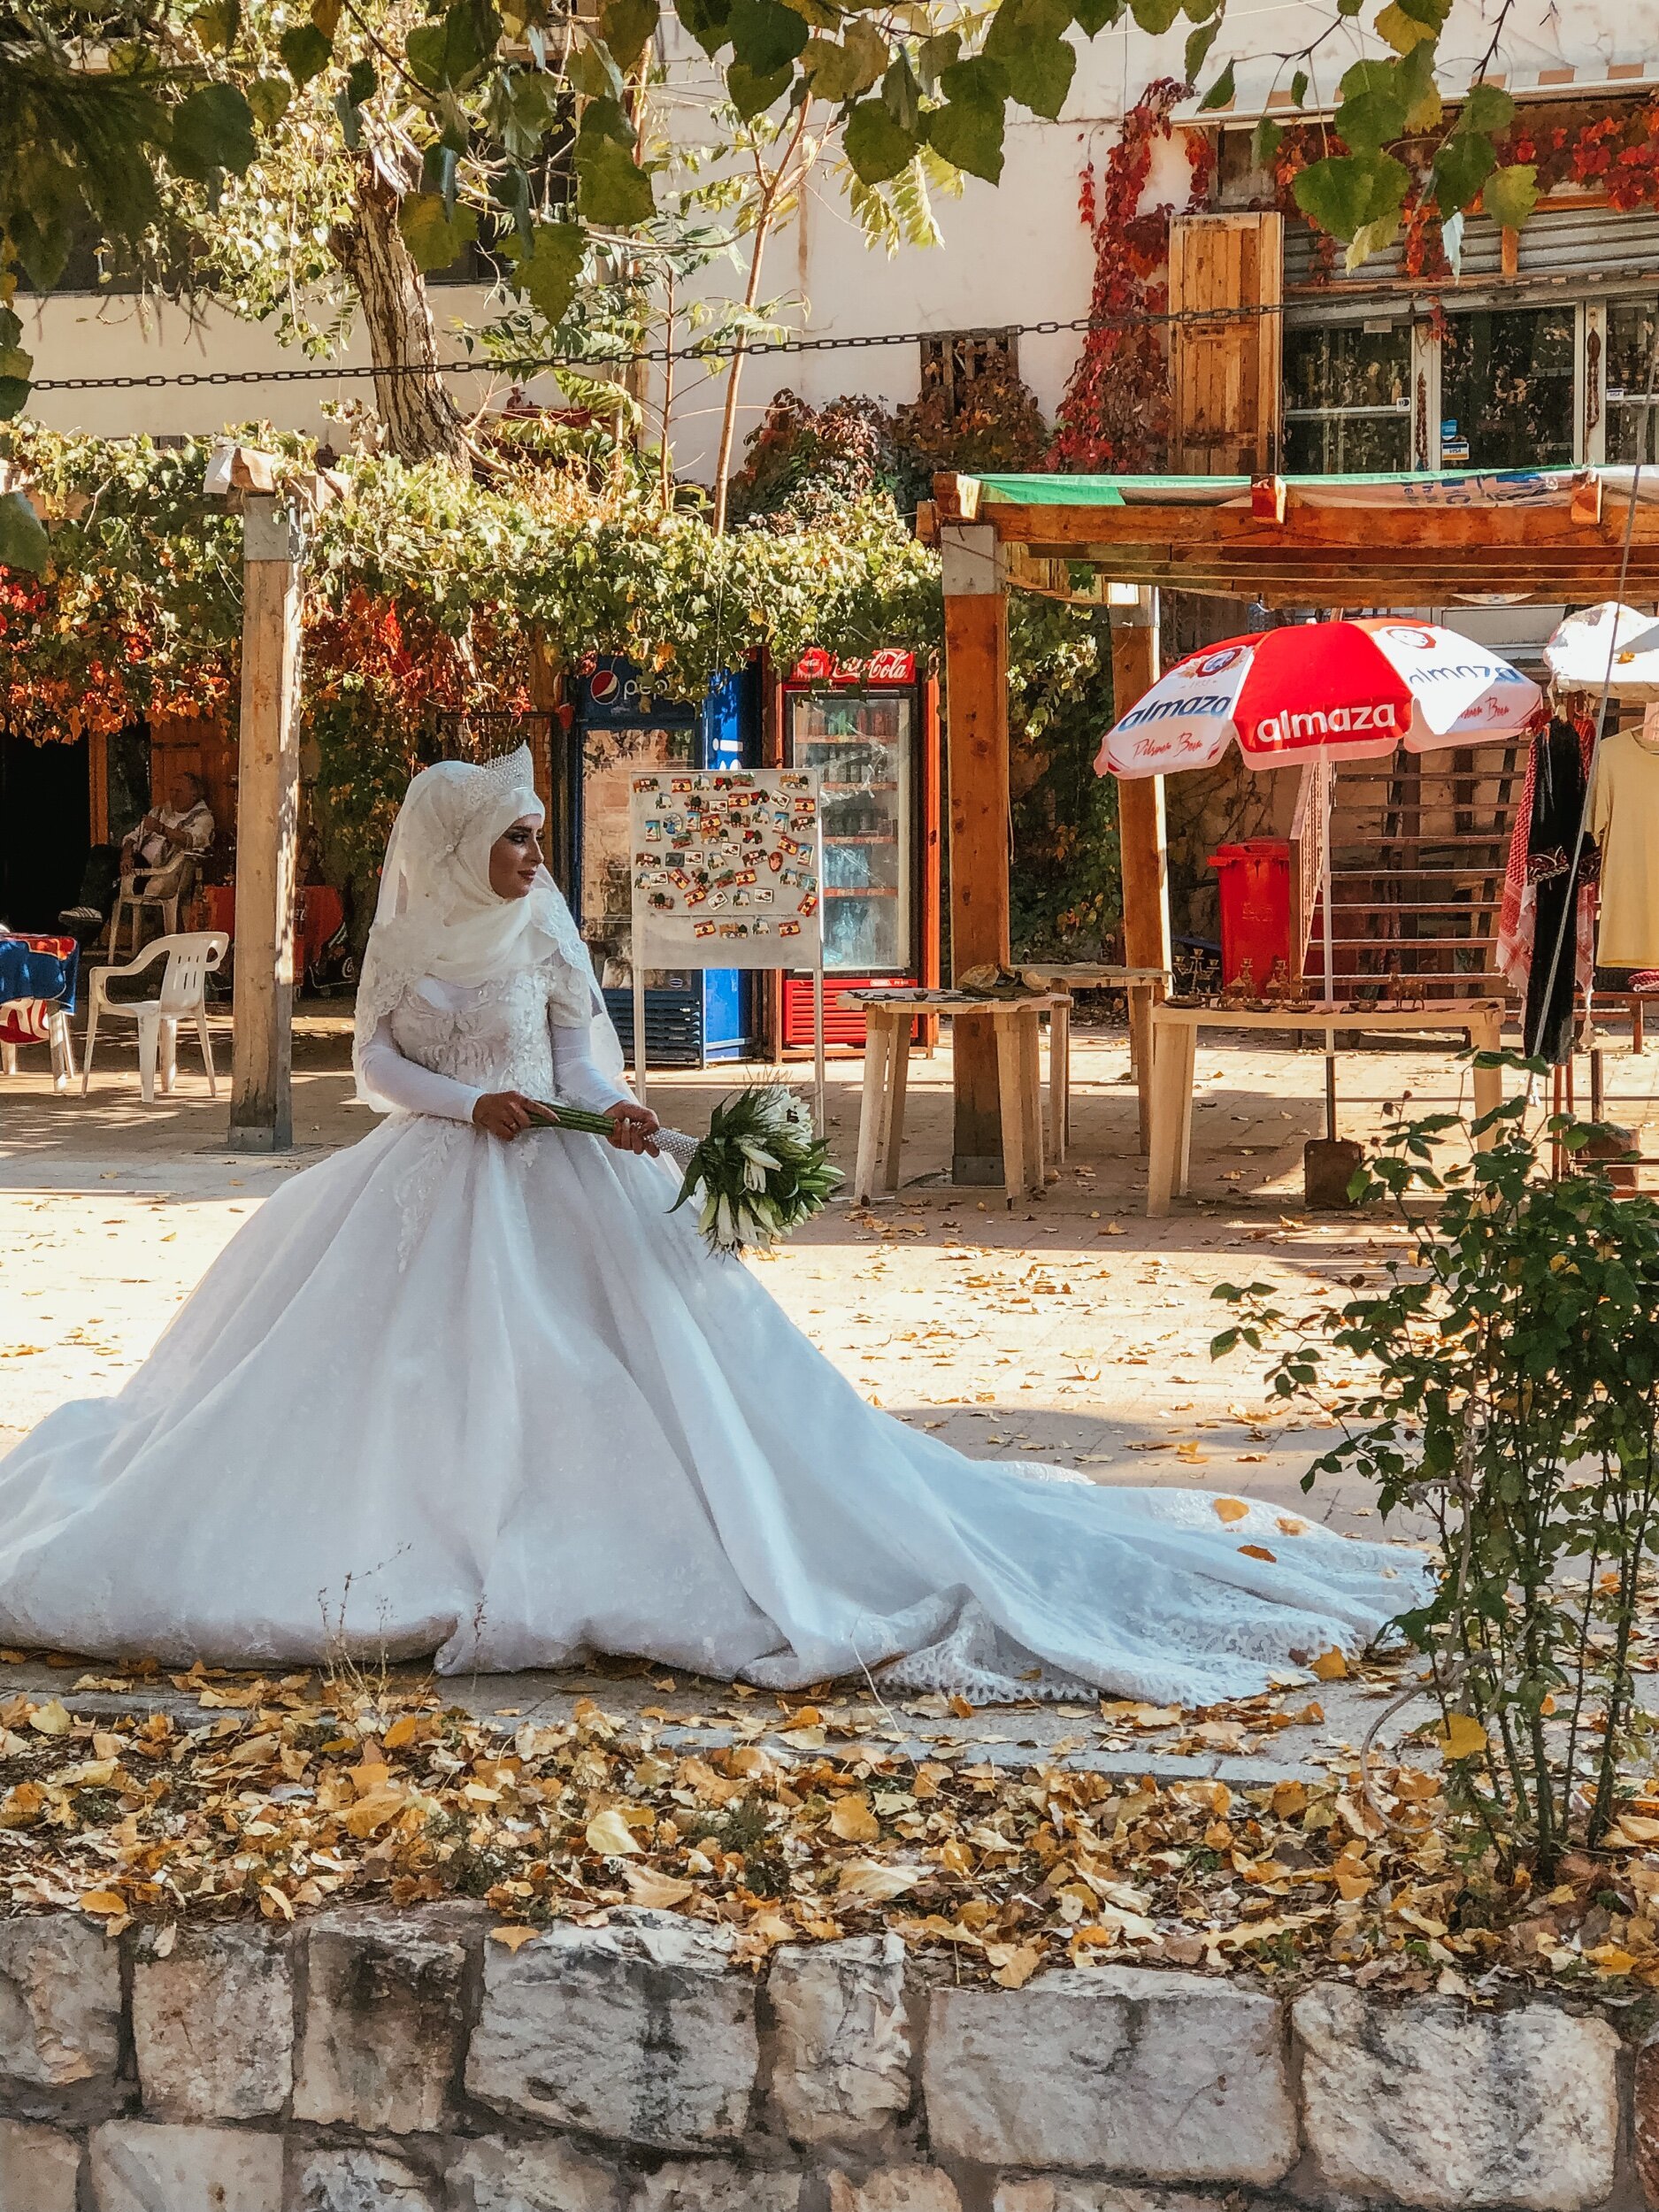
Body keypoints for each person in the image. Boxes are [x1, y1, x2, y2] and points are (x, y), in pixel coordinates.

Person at [0, 749, 1426, 1701]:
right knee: (383, 1391)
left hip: (560, 1173)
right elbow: (374, 1061)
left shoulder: (544, 921)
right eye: (511, 839)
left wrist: (605, 1109)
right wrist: (456, 1107)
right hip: (431, 1179)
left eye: (535, 838)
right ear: (454, 845)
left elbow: (574, 1048)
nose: (529, 855)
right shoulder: (407, 930)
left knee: (636, 1379)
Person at [122, 771, 215, 878]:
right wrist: (126, 856)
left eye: (179, 791)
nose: (173, 795)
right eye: (171, 790)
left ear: (193, 796)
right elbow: (133, 837)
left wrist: (161, 829)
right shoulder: (160, 811)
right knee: (101, 853)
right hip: (135, 861)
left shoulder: (203, 818)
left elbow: (192, 841)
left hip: (159, 872)